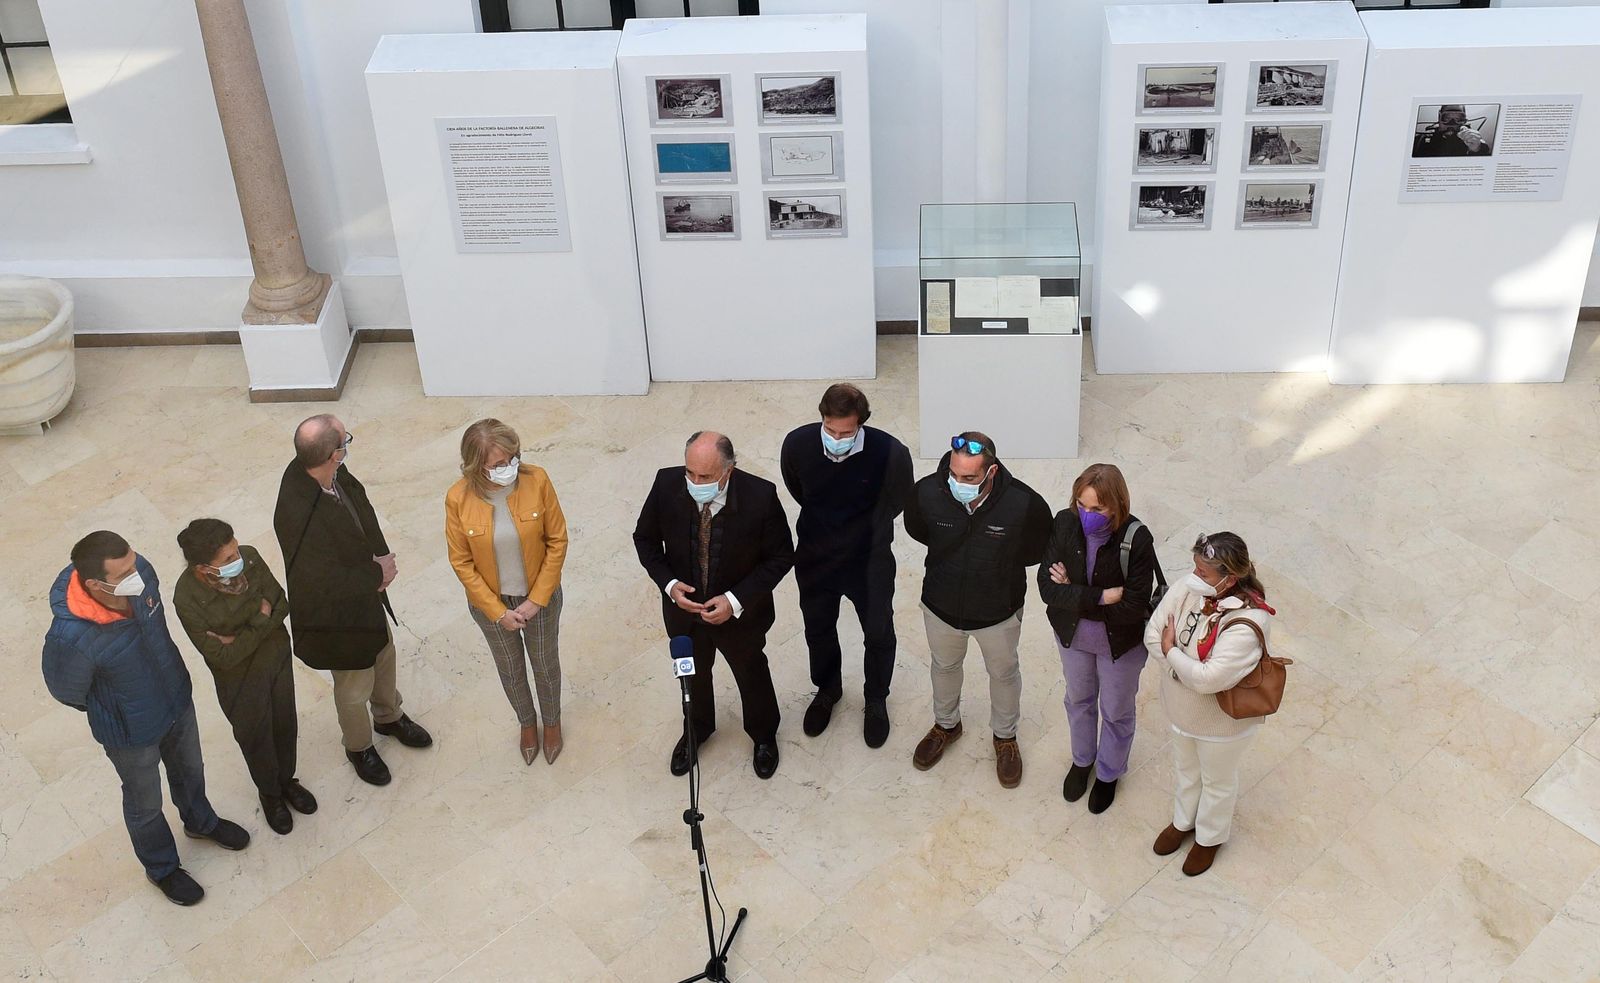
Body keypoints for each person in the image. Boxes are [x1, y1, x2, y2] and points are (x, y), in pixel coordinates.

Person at [42, 531, 250, 906]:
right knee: (145, 803)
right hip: (130, 734)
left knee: (191, 770)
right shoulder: (71, 637)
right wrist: (115, 708)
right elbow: (66, 690)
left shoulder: (143, 575)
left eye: (134, 561)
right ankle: (162, 868)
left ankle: (200, 822)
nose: (136, 573)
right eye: (124, 572)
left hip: (175, 700)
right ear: (95, 584)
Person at [274, 415, 432, 787]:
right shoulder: (297, 512)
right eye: (345, 440)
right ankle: (359, 746)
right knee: (353, 685)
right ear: (334, 453)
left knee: (384, 655)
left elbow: (361, 514)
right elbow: (320, 580)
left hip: (365, 598)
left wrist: (377, 565)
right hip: (337, 619)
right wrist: (377, 574)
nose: (347, 446)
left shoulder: (330, 472)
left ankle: (389, 716)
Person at [633, 432, 795, 780]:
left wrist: (734, 600)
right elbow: (645, 539)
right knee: (691, 675)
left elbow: (781, 557)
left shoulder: (761, 497)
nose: (695, 482)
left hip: (740, 618)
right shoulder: (666, 484)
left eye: (705, 476)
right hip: (684, 615)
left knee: (751, 674)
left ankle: (764, 736)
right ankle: (697, 728)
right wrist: (670, 585)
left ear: (728, 470)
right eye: (690, 472)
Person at [904, 432, 1051, 788]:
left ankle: (1005, 736)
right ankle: (946, 725)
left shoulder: (1024, 504)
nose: (958, 483)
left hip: (997, 612)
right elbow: (918, 528)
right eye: (954, 474)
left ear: (992, 471)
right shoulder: (927, 492)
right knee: (944, 666)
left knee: (1003, 674)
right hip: (940, 605)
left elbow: (1035, 549)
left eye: (969, 477)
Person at [779, 384, 912, 748]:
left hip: (869, 561)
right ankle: (828, 689)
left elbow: (899, 499)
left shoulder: (890, 452)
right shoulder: (797, 444)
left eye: (845, 432)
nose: (836, 438)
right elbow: (798, 488)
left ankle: (876, 698)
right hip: (815, 558)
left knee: (879, 633)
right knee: (818, 628)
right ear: (822, 418)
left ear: (861, 423)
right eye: (830, 429)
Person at [1145, 532, 1275, 877]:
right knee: (1186, 771)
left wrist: (1172, 653)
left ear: (1229, 579)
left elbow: (1208, 679)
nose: (1194, 576)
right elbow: (1152, 634)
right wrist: (1181, 669)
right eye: (1195, 567)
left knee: (1217, 781)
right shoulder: (1189, 588)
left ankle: (1210, 837)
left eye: (1203, 572)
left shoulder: (1249, 622)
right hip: (1180, 711)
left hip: (1221, 725)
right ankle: (1183, 821)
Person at [173, 518, 315, 835]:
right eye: (228, 558)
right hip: (238, 680)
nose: (237, 558)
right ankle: (270, 794)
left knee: (284, 723)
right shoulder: (186, 597)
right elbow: (222, 656)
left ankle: (287, 780)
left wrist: (238, 637)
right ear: (203, 568)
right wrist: (261, 618)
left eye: (235, 550)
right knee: (255, 736)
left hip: (276, 658)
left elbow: (280, 604)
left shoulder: (249, 557)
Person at [445, 419, 570, 765]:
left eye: (513, 458)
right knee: (510, 669)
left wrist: (537, 600)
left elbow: (557, 541)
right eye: (499, 464)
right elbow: (461, 561)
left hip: (539, 597)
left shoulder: (537, 479)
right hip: (492, 605)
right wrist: (497, 611)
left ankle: (552, 723)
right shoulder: (458, 498)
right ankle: (527, 724)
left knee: (545, 664)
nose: (509, 467)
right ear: (476, 466)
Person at [1038, 464, 1157, 815]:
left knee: (1116, 711)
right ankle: (1082, 761)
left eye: (1097, 508)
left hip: (1119, 645)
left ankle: (1108, 773)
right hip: (1073, 638)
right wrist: (1102, 597)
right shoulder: (1065, 522)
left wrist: (1073, 592)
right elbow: (1047, 590)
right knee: (1078, 701)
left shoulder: (1137, 539)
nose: (1087, 514)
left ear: (1117, 505)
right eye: (1082, 505)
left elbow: (1133, 607)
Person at [1412, 104, 1492, 158]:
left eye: (1457, 119)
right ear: (1439, 117)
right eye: (1447, 118)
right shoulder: (1420, 140)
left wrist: (1477, 149)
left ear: (1464, 121)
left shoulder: (1471, 140)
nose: (1451, 124)